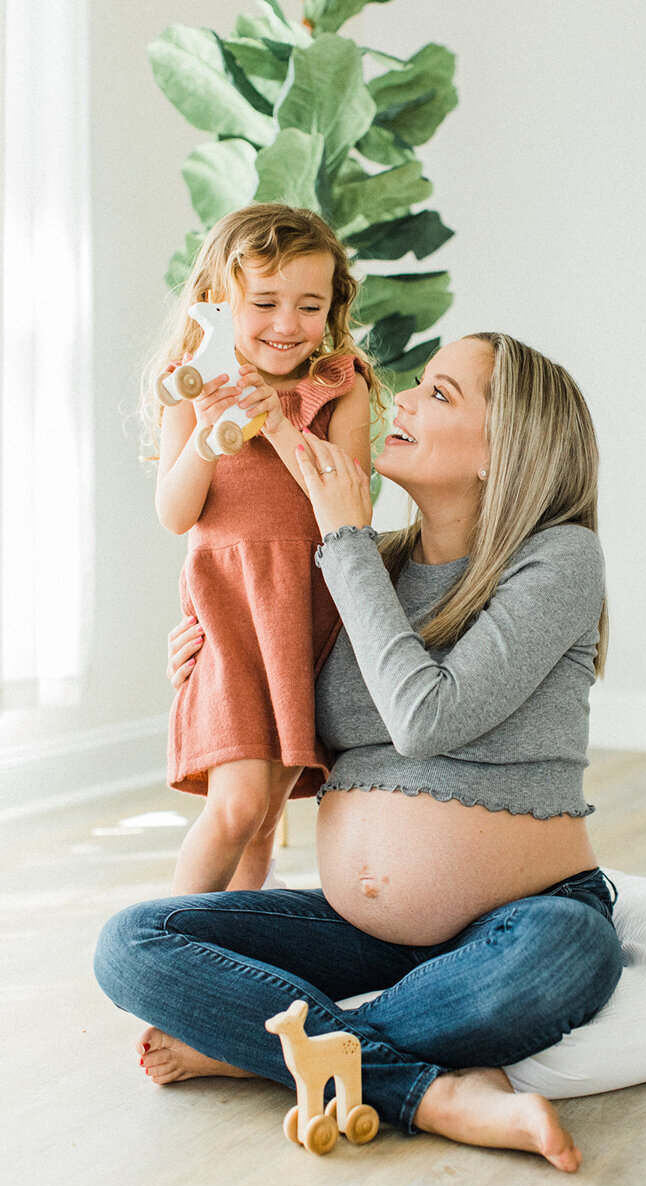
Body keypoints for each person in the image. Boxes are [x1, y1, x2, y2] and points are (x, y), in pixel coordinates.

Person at [96, 333, 622, 1172]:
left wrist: (341, 536)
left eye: (442, 394)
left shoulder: (558, 558)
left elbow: (427, 717)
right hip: (362, 931)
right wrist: (209, 660)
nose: (403, 401)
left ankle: (265, 1050)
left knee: (571, 955)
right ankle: (425, 1088)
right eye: (418, 384)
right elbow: (280, 700)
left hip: (520, 918)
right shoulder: (367, 563)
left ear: (507, 448)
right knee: (133, 940)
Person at [143, 203, 378, 893]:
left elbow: (350, 507)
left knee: (268, 809)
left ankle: (237, 949)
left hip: (306, 616)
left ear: (334, 307)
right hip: (229, 617)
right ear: (220, 301)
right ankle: (167, 945)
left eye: (310, 305)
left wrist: (275, 424)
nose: (286, 324)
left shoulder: (340, 384)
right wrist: (209, 434)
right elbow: (175, 513)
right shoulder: (192, 382)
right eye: (265, 302)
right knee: (238, 802)